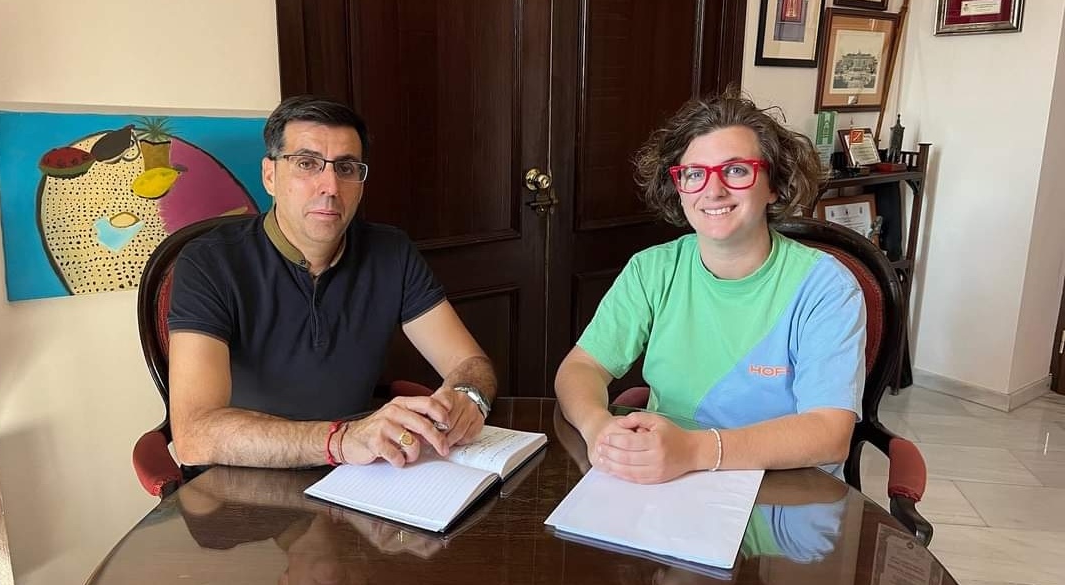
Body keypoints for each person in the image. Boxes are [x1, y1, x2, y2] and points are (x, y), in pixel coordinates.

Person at [168, 96, 497, 470]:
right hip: (246, 478)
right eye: (306, 164)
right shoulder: (209, 262)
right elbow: (195, 435)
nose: (330, 186)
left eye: (346, 167)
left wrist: (468, 396)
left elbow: (470, 362)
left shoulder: (392, 252)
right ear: (270, 176)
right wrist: (339, 440)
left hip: (360, 472)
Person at [555, 88, 864, 484]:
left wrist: (694, 451)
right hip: (666, 480)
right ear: (678, 187)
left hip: (782, 490)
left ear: (773, 184)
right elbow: (581, 367)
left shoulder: (826, 288)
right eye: (694, 174)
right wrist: (598, 427)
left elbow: (829, 433)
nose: (713, 190)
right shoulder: (652, 269)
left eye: (736, 170)